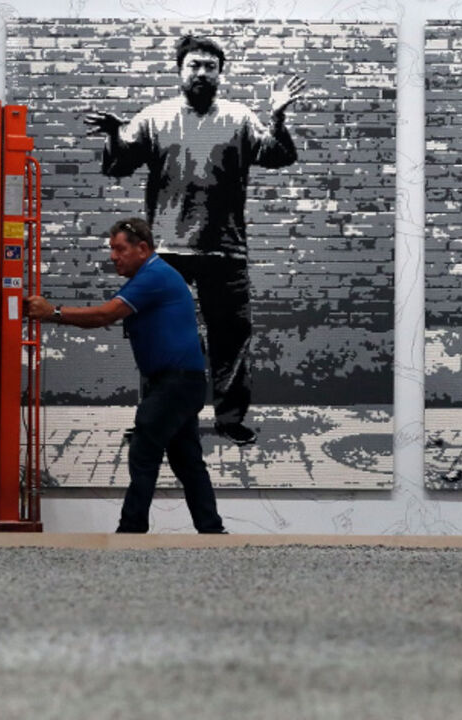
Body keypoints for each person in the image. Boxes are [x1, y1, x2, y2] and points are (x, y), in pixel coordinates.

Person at [83, 35, 307, 446]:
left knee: (230, 338)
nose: (202, 73)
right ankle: (158, 418)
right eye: (194, 65)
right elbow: (117, 166)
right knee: (161, 337)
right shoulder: (155, 117)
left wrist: (277, 117)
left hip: (225, 248)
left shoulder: (240, 118)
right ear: (180, 71)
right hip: (168, 250)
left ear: (220, 73)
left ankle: (230, 419)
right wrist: (114, 134)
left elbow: (279, 156)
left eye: (210, 66)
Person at [25, 217, 226, 534]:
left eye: (120, 249)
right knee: (187, 459)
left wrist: (53, 313)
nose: (113, 256)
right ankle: (212, 530)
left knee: (145, 445)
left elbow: (105, 314)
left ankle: (131, 529)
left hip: (176, 382)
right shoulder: (149, 276)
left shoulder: (155, 276)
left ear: (142, 248)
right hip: (178, 382)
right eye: (112, 249)